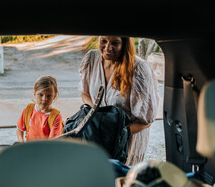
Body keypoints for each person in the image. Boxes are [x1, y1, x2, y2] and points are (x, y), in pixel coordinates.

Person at [78, 36, 159, 166]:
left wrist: (116, 133)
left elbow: (146, 121)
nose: (108, 48)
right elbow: (85, 92)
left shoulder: (139, 69)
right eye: (103, 41)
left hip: (127, 140)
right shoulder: (92, 58)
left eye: (115, 43)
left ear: (125, 44)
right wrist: (98, 118)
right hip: (97, 135)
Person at [16, 76, 63, 142]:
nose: (44, 99)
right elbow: (19, 129)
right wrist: (22, 144)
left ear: (54, 96)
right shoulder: (28, 110)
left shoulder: (56, 117)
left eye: (49, 96)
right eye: (40, 95)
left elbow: (52, 143)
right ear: (34, 93)